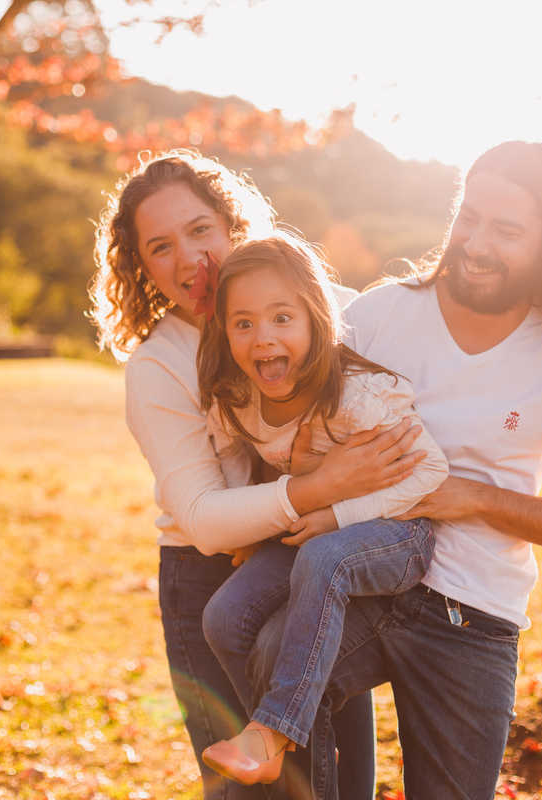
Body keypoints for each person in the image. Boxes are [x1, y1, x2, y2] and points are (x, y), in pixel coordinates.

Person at [245, 140, 542, 800]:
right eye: (469, 216)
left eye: (506, 229)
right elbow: (295, 424)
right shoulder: (379, 315)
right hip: (367, 586)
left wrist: (470, 497)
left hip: (473, 616)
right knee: (270, 656)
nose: (476, 243)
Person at [90, 151, 425, 800]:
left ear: (231, 225)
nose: (190, 259)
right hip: (208, 576)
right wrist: (322, 487)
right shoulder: (160, 365)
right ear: (142, 269)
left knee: (342, 780)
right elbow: (205, 521)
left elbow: (404, 330)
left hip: (316, 563)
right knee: (250, 791)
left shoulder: (317, 311)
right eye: (161, 248)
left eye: (200, 230)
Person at [189, 233, 448, 784]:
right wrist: (254, 527)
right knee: (224, 617)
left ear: (316, 318)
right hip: (315, 530)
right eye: (243, 323)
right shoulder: (240, 399)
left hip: (396, 533)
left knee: (323, 557)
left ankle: (272, 732)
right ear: (224, 331)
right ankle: (288, 752)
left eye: (282, 318)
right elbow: (234, 457)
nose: (263, 337)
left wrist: (335, 516)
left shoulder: (358, 398)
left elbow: (430, 473)